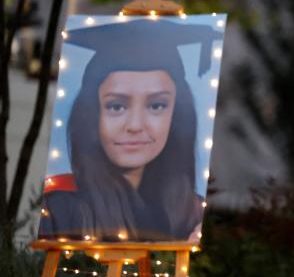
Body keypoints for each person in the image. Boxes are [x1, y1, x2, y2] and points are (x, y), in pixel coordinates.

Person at [39, 19, 222, 242]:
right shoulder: (61, 205)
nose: (135, 125)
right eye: (116, 106)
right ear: (91, 115)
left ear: (176, 115)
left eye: (157, 106)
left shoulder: (189, 212)